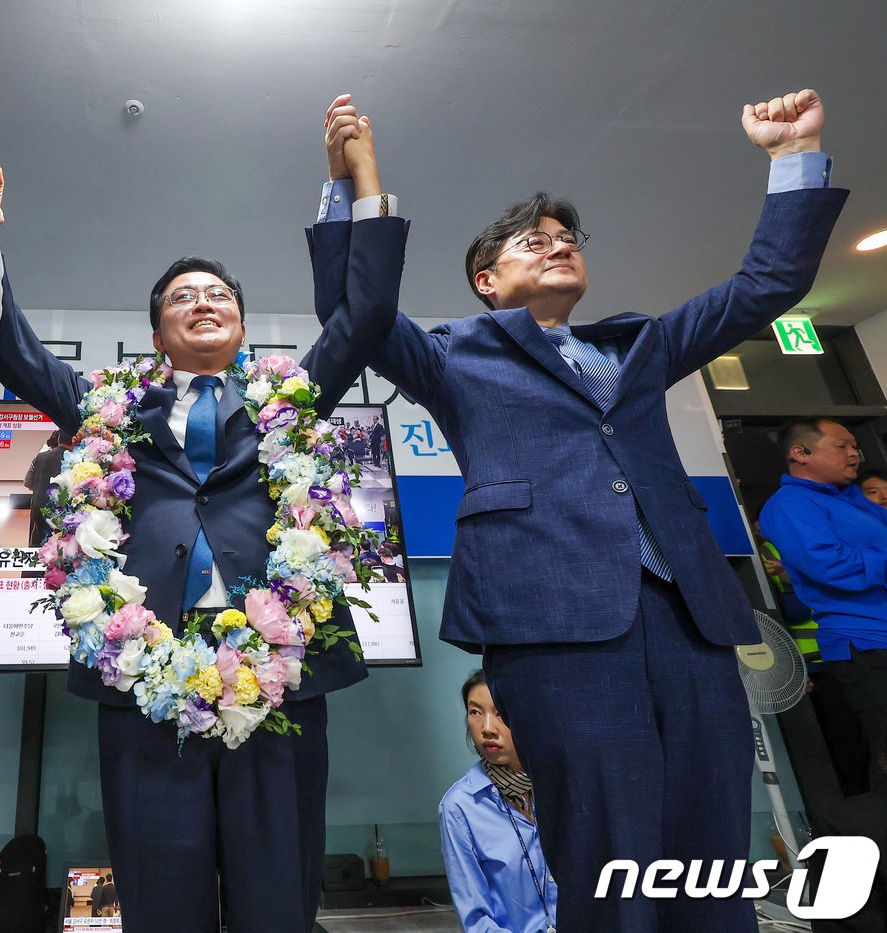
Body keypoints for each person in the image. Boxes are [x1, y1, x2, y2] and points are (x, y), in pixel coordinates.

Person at [315, 89, 845, 932]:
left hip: (690, 615)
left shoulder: (640, 344)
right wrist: (357, 182)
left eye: (568, 240)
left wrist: (792, 155)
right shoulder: (456, 356)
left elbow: (766, 283)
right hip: (552, 623)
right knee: (604, 842)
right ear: (487, 281)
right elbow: (359, 314)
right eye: (533, 241)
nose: (558, 245)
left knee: (712, 839)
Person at [0, 94, 406, 932]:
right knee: (161, 892)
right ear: (157, 331)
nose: (203, 301)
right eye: (183, 297)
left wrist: (359, 182)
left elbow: (366, 314)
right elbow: (9, 345)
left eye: (218, 294)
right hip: (142, 673)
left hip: (280, 667)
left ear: (238, 322)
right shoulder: (105, 405)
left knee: (278, 891)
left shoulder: (290, 397)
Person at [759, 418, 887, 793]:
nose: (854, 455)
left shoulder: (852, 501)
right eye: (842, 446)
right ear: (801, 453)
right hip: (865, 643)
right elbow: (828, 564)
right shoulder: (790, 503)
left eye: (855, 447)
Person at [439, 671, 556, 933]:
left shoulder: (562, 787)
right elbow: (476, 921)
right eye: (475, 712)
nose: (488, 728)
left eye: (500, 712)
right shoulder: (460, 807)